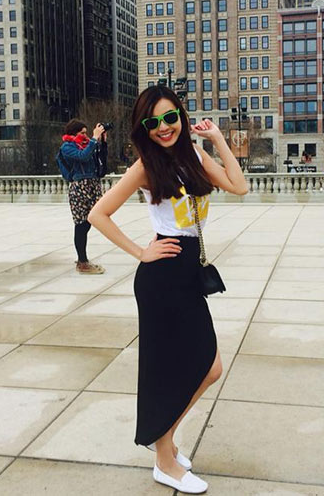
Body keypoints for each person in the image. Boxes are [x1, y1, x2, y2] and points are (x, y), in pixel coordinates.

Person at [88, 86, 248, 494]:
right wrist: (141, 252)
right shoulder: (145, 166)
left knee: (209, 367)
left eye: (170, 118)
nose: (163, 127)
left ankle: (165, 439)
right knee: (171, 370)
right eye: (153, 122)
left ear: (181, 117)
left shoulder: (195, 155)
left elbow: (239, 185)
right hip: (161, 277)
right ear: (144, 128)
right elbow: (98, 214)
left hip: (188, 273)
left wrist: (217, 139)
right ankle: (164, 459)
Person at [59, 118, 108, 274]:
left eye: (87, 133)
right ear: (74, 133)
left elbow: (100, 160)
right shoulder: (67, 147)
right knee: (81, 224)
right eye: (83, 133)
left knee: (91, 221)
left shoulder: (88, 144)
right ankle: (82, 261)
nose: (86, 136)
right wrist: (94, 139)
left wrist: (103, 142)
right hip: (80, 187)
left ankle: (82, 259)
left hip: (93, 185)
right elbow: (82, 157)